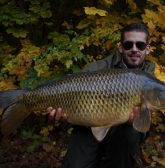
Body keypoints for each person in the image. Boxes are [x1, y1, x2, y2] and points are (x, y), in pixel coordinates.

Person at [48, 23, 155, 168]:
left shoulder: (149, 78)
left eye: (140, 45)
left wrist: (136, 121)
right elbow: (70, 94)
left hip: (122, 131)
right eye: (128, 44)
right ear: (121, 47)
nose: (134, 49)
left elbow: (145, 123)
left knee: (131, 133)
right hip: (88, 127)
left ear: (147, 49)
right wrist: (66, 116)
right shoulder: (98, 68)